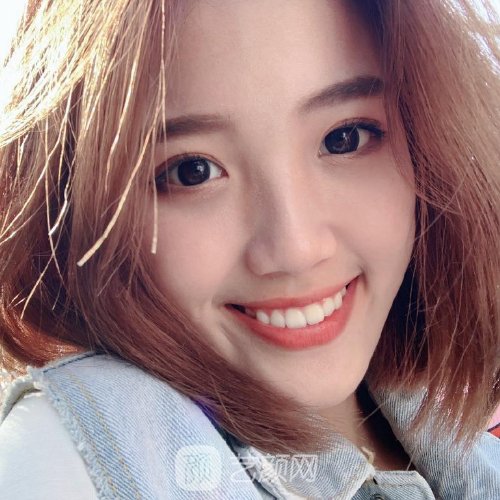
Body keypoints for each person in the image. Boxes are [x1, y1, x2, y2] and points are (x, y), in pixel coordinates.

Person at [0, 0, 499, 498]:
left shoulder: (466, 443)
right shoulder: (77, 453)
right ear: (72, 202)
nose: (296, 249)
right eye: (192, 171)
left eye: (344, 139)